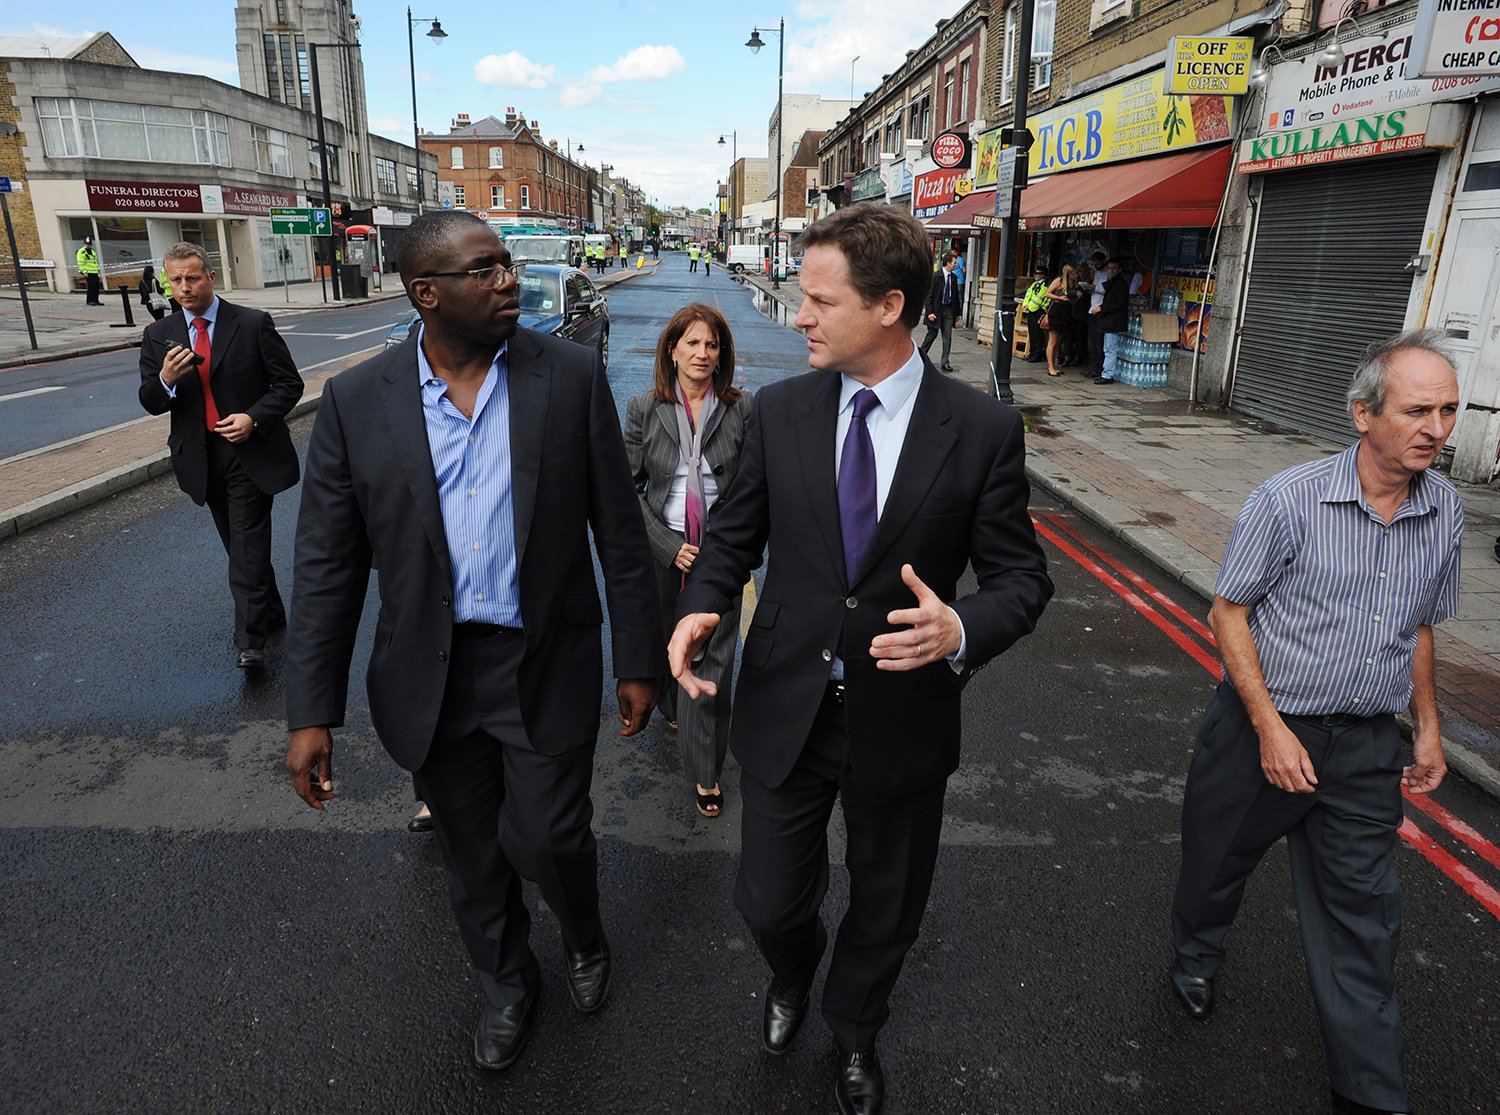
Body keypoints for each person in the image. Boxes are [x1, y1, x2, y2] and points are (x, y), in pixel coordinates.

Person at [668, 203, 1053, 1115]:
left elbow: (1020, 579)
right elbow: (734, 535)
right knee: (767, 900)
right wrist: (700, 605)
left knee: (887, 905)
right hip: (789, 706)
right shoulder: (781, 410)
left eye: (817, 299)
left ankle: (852, 1031)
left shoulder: (982, 430)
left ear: (888, 306)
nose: (797, 314)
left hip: (902, 716)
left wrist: (959, 629)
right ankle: (793, 972)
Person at [283, 210, 661, 1074]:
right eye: (484, 270)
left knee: (552, 834)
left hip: (544, 658)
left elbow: (619, 527)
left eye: (505, 266)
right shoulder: (356, 401)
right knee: (471, 849)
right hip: (432, 671)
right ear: (427, 293)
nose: (507, 282)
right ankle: (504, 981)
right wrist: (311, 711)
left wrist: (637, 659)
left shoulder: (565, 376)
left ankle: (583, 933)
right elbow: (327, 568)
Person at [1169, 330, 1463, 1115]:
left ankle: (1371, 1094)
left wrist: (1427, 725)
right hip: (1260, 726)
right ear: (1364, 414)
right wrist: (1269, 728)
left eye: (1447, 409)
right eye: (1416, 410)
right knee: (1216, 862)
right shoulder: (1287, 500)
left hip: (1365, 746)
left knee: (1365, 919)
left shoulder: (1447, 510)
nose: (1436, 427)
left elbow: (1425, 624)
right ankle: (1195, 954)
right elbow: (1228, 612)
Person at [137, 242, 303, 669]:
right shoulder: (159, 335)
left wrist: (253, 418)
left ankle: (251, 642)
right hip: (200, 456)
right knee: (238, 544)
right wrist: (167, 380)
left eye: (192, 277)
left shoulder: (251, 324)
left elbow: (288, 385)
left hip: (248, 452)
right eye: (175, 280)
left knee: (247, 544)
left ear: (211, 277)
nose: (184, 287)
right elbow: (151, 401)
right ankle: (273, 612)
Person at [623, 304, 752, 819]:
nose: (702, 354)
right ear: (672, 350)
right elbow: (627, 489)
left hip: (718, 553)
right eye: (692, 344)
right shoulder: (642, 408)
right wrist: (665, 544)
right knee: (666, 640)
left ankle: (705, 772)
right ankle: (671, 704)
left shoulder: (742, 408)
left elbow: (750, 489)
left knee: (713, 661)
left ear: (722, 355)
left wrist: (729, 547)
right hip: (663, 545)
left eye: (712, 345)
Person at [917, 251, 960, 371]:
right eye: (954, 262)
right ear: (948, 263)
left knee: (948, 336)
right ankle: (920, 357)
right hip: (936, 309)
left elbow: (956, 296)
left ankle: (945, 362)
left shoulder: (954, 278)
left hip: (949, 309)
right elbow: (928, 296)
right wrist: (930, 312)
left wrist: (957, 313)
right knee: (932, 335)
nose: (956, 265)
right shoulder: (936, 276)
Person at [1092, 257, 1127, 385]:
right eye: (1109, 268)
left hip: (1114, 321)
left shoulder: (1121, 284)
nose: (1111, 271)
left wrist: (1101, 308)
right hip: (1108, 321)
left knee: (1110, 348)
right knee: (1107, 347)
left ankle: (1107, 374)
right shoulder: (1112, 282)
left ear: (1119, 269)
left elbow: (1117, 303)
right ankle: (1106, 372)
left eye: (1114, 268)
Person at [1043, 264, 1076, 377]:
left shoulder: (1074, 283)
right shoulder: (1059, 281)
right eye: (1073, 274)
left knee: (1058, 341)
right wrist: (1059, 297)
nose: (1075, 276)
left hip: (1066, 313)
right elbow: (1047, 293)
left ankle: (1054, 365)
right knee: (1052, 341)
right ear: (1067, 273)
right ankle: (1050, 367)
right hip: (1057, 312)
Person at [1085, 250, 1108, 379]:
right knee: (1091, 343)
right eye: (1094, 263)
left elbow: (1106, 290)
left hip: (1100, 310)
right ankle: (1091, 367)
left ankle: (1098, 368)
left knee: (1099, 343)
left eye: (1097, 263)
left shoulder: (1107, 274)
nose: (1095, 265)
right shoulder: (1097, 273)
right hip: (1092, 309)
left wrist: (1095, 288)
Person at [77, 236, 102, 305]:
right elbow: (80, 263)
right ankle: (90, 301)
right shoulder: (81, 252)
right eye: (87, 244)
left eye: (89, 244)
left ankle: (96, 300)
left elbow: (95, 262)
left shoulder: (93, 251)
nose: (88, 245)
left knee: (96, 287)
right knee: (91, 287)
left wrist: (98, 272)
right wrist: (84, 272)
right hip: (88, 272)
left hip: (95, 272)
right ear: (84, 244)